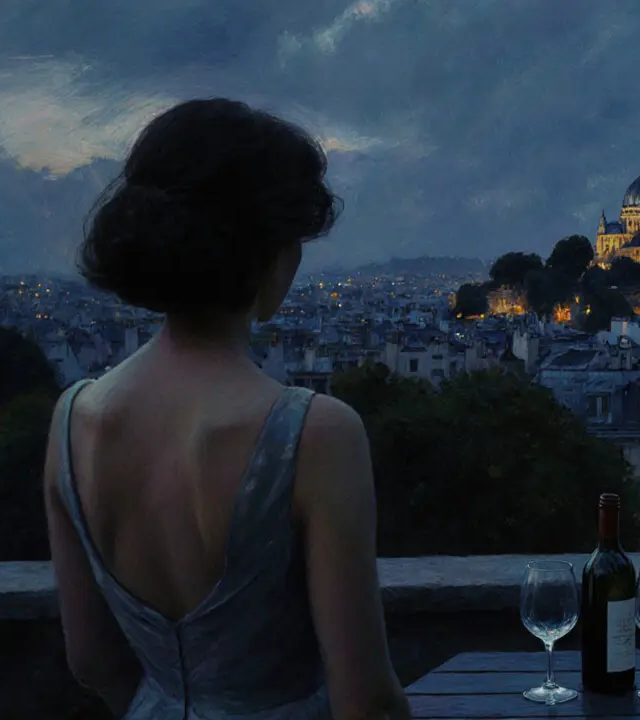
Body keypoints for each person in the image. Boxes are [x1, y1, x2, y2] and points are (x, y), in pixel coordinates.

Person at [43, 99, 413, 719]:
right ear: (272, 254)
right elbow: (365, 701)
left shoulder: (71, 419)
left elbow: (92, 660)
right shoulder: (316, 434)